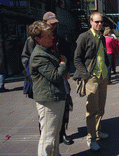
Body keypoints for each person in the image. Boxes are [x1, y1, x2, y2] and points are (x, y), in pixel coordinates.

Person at [21, 11, 73, 145]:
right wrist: (33, 76)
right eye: (51, 24)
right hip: (43, 81)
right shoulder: (33, 40)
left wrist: (66, 69)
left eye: (55, 24)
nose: (54, 27)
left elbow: (65, 55)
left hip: (58, 76)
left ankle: (61, 134)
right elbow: (26, 59)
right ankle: (46, 138)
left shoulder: (58, 38)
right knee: (46, 119)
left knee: (63, 108)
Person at [29, 20, 67, 156]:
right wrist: (62, 64)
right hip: (48, 100)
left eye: (51, 34)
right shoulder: (39, 55)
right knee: (48, 137)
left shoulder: (47, 50)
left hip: (55, 96)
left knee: (55, 134)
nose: (51, 38)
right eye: (47, 36)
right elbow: (55, 75)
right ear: (37, 39)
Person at [73, 12, 109, 151]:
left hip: (103, 76)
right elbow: (77, 59)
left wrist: (107, 69)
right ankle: (91, 138)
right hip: (91, 77)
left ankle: (98, 131)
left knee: (101, 108)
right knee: (91, 110)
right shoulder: (84, 37)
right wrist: (86, 75)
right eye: (96, 22)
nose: (99, 24)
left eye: (101, 22)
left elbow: (103, 55)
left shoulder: (102, 37)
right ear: (91, 22)